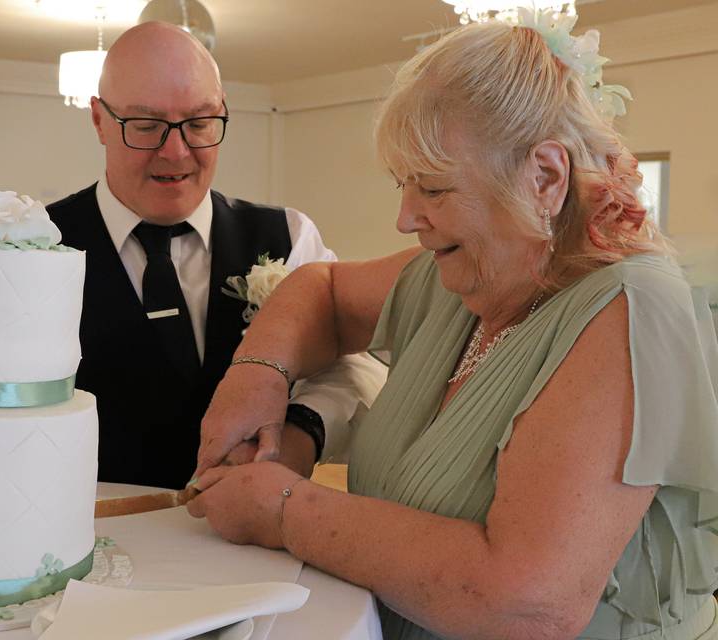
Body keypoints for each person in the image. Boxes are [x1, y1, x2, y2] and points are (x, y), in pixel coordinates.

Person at [189, 12, 718, 639]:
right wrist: (258, 377)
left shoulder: (628, 306)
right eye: (405, 185)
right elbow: (321, 289)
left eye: (435, 190)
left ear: (545, 177)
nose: (406, 218)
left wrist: (283, 510)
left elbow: (526, 603)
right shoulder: (460, 279)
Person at [47, 22, 383, 489]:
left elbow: (350, 365)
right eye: (146, 127)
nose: (176, 152)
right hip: (88, 537)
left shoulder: (287, 235)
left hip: (253, 539)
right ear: (99, 120)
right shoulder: (37, 248)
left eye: (199, 124)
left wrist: (302, 432)